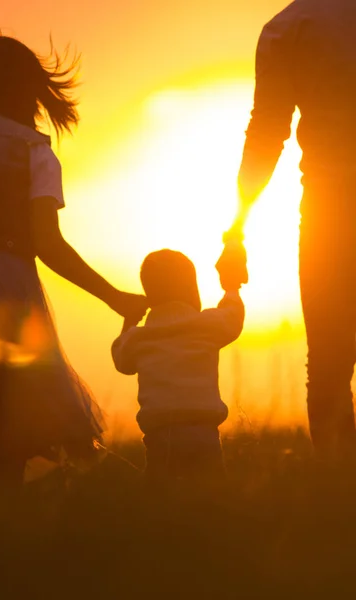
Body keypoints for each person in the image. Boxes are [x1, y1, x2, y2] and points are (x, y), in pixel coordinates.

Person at [0, 31, 148, 490]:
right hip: (7, 293)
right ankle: (1, 542)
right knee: (9, 436)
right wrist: (113, 296)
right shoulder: (33, 150)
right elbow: (48, 244)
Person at [224, 0, 356, 460]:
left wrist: (237, 228)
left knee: (329, 359)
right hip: (327, 207)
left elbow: (266, 131)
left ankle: (339, 491)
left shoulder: (288, 29)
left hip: (329, 210)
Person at [111, 248, 245, 482]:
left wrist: (129, 320)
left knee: (162, 496)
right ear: (192, 291)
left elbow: (121, 360)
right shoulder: (206, 326)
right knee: (211, 493)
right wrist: (231, 288)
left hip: (160, 436)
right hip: (204, 432)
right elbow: (233, 315)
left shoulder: (139, 337)